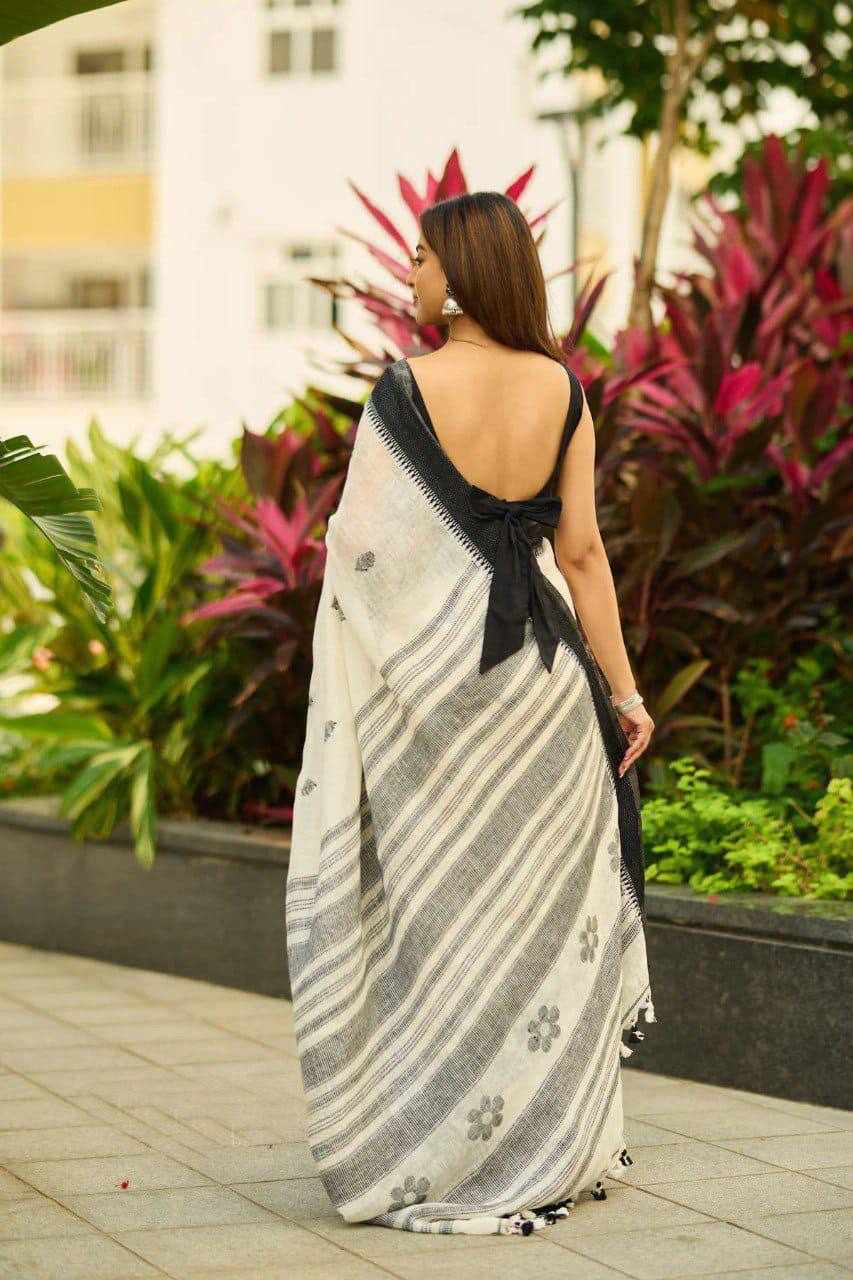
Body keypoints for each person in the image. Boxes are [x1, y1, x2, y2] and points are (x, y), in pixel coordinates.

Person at [285, 191, 656, 1237]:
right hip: (544, 691)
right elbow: (582, 552)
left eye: (421, 258)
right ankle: (547, 1140)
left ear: (460, 274)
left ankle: (442, 1144)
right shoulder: (562, 388)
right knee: (543, 926)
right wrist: (625, 694)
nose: (409, 274)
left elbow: (362, 552)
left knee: (444, 922)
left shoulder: (405, 390)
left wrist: (401, 661)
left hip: (441, 697)